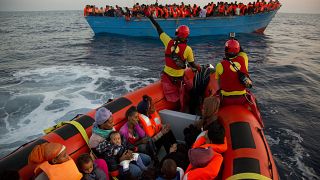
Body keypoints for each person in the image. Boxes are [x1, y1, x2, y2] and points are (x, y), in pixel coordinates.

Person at [147, 14, 200, 110]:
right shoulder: (188, 49)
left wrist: (150, 17)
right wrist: (198, 68)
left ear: (177, 34)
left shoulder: (168, 42)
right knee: (192, 91)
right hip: (179, 78)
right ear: (187, 36)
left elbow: (158, 29)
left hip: (167, 77)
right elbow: (192, 64)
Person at [215, 37, 252, 107]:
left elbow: (219, 83)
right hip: (242, 99)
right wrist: (236, 43)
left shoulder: (220, 65)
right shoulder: (244, 59)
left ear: (225, 50)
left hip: (226, 100)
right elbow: (242, 52)